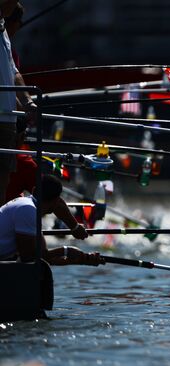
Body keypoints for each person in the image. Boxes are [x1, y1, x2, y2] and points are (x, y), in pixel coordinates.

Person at [4, 119, 89, 240]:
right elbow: (53, 199)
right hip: (8, 229)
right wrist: (74, 227)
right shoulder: (24, 163)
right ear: (22, 136)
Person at [0, 174, 104, 265]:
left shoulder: (27, 204)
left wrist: (82, 259)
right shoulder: (28, 210)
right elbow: (29, 258)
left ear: (33, 190)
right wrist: (66, 251)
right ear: (56, 201)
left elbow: (44, 258)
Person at [0, 0, 37, 205]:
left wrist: (28, 101)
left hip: (7, 119)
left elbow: (14, 73)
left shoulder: (4, 34)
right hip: (3, 116)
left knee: (3, 178)